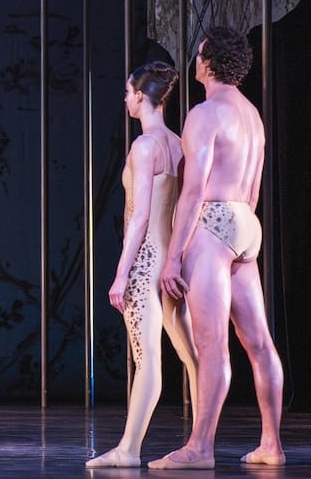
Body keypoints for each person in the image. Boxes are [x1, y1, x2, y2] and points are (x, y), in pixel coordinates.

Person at [150, 27, 285, 469]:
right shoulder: (251, 115)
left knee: (213, 348)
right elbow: (255, 185)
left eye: (199, 52)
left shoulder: (206, 114)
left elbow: (193, 191)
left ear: (208, 62)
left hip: (213, 222)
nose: (195, 58)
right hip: (247, 222)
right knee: (260, 345)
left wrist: (174, 256)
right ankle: (271, 444)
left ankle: (200, 448)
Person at [86, 63, 198, 468]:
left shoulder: (145, 146)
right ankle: (202, 443)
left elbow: (139, 215)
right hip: (172, 259)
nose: (125, 99)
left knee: (148, 357)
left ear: (139, 96)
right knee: (190, 354)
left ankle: (129, 449)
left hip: (147, 259)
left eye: (127, 92)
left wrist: (121, 273)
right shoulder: (177, 142)